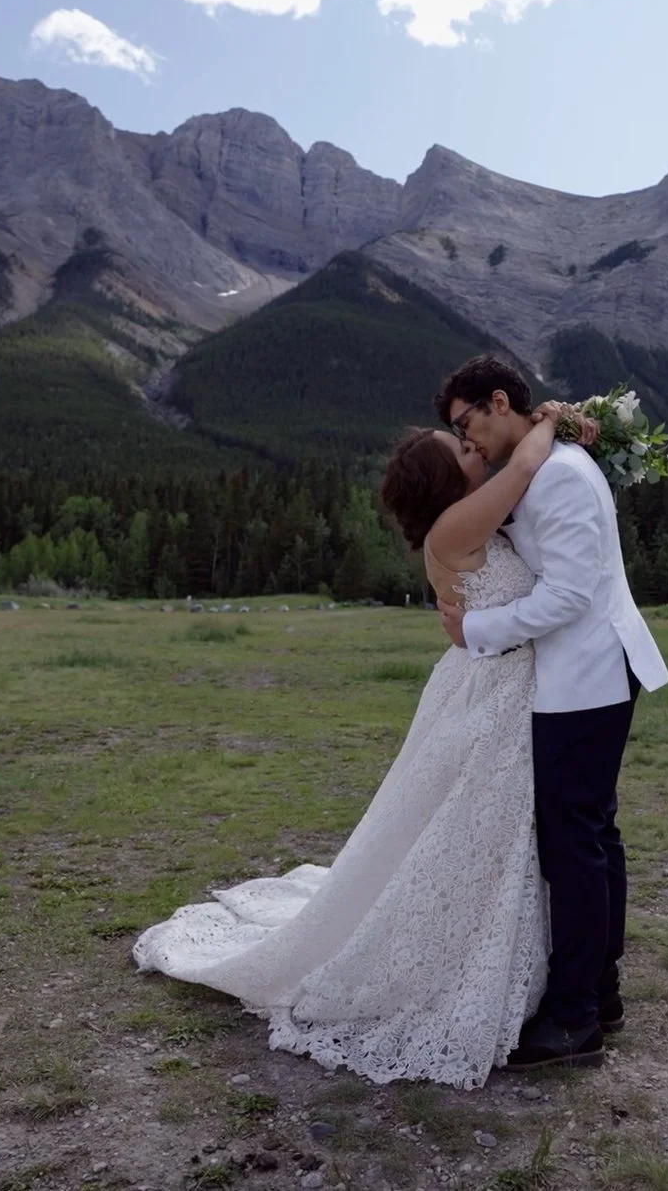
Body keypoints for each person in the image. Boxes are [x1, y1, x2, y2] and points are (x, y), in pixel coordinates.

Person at [130, 402, 573, 1088]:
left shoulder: (468, 517)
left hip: (495, 686)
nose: (470, 449)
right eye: (457, 450)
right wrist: (560, 417)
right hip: (492, 694)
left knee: (479, 829)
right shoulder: (459, 522)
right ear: (442, 483)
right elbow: (524, 461)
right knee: (477, 828)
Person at [434, 354, 668, 1071]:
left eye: (465, 422)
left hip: (588, 676)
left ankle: (574, 1020)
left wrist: (477, 632)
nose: (465, 440)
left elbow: (569, 595)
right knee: (591, 836)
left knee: (573, 845)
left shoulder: (559, 477)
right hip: (590, 672)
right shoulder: (542, 466)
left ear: (498, 402)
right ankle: (599, 993)